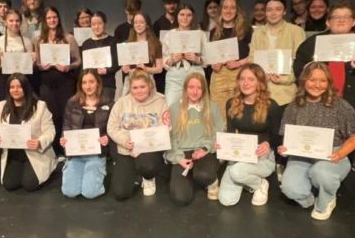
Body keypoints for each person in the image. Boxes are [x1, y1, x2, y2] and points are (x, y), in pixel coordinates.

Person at [293, 1, 355, 178]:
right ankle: (324, 163)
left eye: (346, 17)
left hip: (353, 100)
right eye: (336, 17)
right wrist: (310, 69)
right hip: (320, 101)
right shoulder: (314, 42)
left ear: (354, 22)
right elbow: (299, 65)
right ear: (328, 22)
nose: (341, 20)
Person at [279, 62, 355, 220]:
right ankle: (309, 199)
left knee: (320, 173)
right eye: (312, 80)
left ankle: (327, 199)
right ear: (304, 81)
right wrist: (285, 149)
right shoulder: (293, 107)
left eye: (322, 80)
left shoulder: (341, 106)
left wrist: (340, 154)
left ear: (329, 83)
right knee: (289, 188)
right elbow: (288, 136)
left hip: (333, 153)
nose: (317, 85)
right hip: (302, 155)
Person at [217, 64, 281, 206]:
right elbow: (231, 133)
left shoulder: (272, 106)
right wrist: (223, 144)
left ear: (260, 82)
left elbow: (278, 136)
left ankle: (260, 184)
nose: (245, 83)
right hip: (240, 153)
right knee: (226, 200)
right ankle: (247, 179)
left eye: (251, 79)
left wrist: (268, 143)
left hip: (262, 155)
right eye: (242, 79)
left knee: (236, 172)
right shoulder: (231, 103)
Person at [107, 68, 170, 199]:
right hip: (127, 149)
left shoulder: (161, 101)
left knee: (147, 165)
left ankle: (148, 177)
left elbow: (167, 127)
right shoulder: (121, 102)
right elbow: (112, 128)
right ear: (130, 88)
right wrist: (125, 140)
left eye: (142, 86)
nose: (139, 90)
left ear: (150, 85)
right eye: (135, 87)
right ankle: (136, 174)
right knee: (120, 193)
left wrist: (146, 143)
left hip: (150, 151)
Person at [0, 73, 57, 191]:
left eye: (19, 86)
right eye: (12, 87)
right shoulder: (1, 106)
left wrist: (39, 142)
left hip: (35, 153)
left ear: (26, 87)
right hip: (13, 155)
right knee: (9, 184)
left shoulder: (40, 106)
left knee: (29, 184)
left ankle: (50, 167)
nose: (15, 90)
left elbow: (50, 131)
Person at [165, 73, 223, 206]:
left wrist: (205, 148)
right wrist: (179, 158)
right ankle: (190, 176)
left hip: (203, 151)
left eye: (199, 88)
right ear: (185, 88)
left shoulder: (211, 107)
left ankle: (211, 181)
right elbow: (171, 137)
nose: (195, 91)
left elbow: (219, 132)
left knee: (204, 175)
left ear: (204, 90)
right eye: (191, 87)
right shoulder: (174, 107)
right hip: (182, 152)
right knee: (181, 197)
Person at [60, 69, 114, 199]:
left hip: (96, 153)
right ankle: (76, 169)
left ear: (97, 83)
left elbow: (113, 128)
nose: (88, 86)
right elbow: (67, 124)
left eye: (91, 82)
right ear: (80, 85)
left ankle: (99, 171)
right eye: (84, 83)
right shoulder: (72, 102)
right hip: (76, 153)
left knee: (90, 193)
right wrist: (64, 138)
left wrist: (107, 137)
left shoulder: (108, 103)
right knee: (69, 192)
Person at [34, 6, 81, 154]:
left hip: (65, 82)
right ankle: (55, 150)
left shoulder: (68, 38)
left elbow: (78, 61)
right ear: (44, 20)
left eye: (54, 17)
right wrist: (40, 66)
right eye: (48, 18)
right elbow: (36, 63)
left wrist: (68, 67)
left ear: (58, 18)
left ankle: (67, 148)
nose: (52, 20)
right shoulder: (39, 40)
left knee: (66, 115)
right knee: (51, 116)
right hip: (46, 83)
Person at [249, 0, 306, 108]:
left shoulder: (296, 31)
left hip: (285, 93)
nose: (273, 13)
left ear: (284, 11)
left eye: (278, 9)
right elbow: (252, 58)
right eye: (269, 10)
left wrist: (286, 79)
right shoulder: (257, 33)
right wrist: (259, 76)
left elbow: (300, 62)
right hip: (260, 91)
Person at [209, 0, 252, 120]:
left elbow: (254, 55)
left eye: (232, 7)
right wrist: (214, 64)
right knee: (219, 116)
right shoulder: (214, 32)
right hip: (218, 77)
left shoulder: (246, 30)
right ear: (221, 10)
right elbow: (211, 57)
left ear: (237, 10)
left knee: (238, 113)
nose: (228, 11)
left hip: (239, 76)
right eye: (225, 7)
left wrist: (238, 63)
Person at [162, 4, 208, 107]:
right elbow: (164, 61)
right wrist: (172, 59)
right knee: (171, 108)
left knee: (197, 109)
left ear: (193, 17)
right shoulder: (169, 35)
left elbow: (207, 60)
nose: (185, 18)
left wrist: (197, 59)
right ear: (177, 16)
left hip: (195, 72)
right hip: (175, 75)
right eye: (182, 14)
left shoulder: (200, 34)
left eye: (189, 15)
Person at [0, 9, 36, 101]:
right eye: (11, 21)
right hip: (5, 81)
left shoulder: (27, 41)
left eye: (17, 21)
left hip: (23, 82)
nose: (14, 23)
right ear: (6, 22)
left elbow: (31, 67)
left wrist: (34, 60)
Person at [120, 12, 163, 93]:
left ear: (147, 24)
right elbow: (124, 67)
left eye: (141, 22)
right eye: (136, 22)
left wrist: (146, 69)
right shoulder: (128, 44)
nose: (138, 25)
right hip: (131, 80)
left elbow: (159, 69)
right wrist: (125, 69)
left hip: (148, 80)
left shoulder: (155, 44)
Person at [80, 11, 119, 100]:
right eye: (93, 24)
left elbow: (118, 63)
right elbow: (83, 67)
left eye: (99, 24)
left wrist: (107, 70)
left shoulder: (112, 41)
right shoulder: (86, 44)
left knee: (105, 110)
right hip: (89, 85)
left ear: (104, 24)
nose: (96, 27)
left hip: (107, 84)